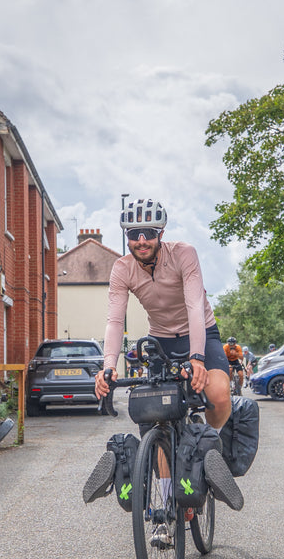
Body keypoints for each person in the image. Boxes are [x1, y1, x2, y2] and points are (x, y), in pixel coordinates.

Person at [83, 197, 243, 516]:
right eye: (134, 233)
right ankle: (170, 497)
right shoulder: (122, 268)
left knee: (219, 394)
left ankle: (207, 457)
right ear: (126, 236)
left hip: (202, 335)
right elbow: (115, 320)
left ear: (161, 232)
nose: (141, 240)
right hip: (160, 342)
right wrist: (108, 368)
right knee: (160, 417)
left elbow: (195, 305)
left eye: (148, 232)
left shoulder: (184, 254)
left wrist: (197, 358)